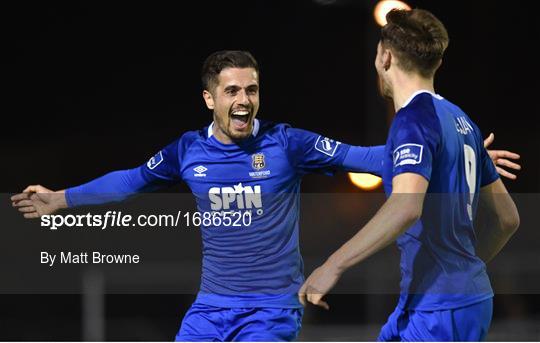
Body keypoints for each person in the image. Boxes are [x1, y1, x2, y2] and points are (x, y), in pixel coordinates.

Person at [11, 50, 519, 341]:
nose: (244, 100)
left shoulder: (287, 143)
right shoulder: (187, 151)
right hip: (209, 308)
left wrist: (447, 158)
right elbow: (130, 180)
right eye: (232, 91)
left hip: (271, 309)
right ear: (210, 99)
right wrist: (62, 198)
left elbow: (366, 156)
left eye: (251, 90)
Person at [298, 9, 520, 342]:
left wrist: (333, 265)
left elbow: (405, 207)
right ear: (438, 63)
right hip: (452, 300)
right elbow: (506, 219)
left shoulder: (413, 121)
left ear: (384, 57)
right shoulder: (461, 122)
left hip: (438, 308)